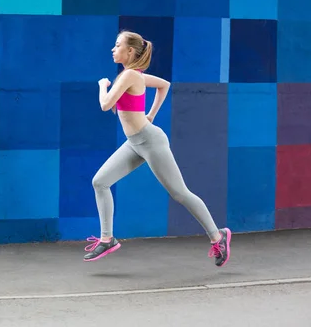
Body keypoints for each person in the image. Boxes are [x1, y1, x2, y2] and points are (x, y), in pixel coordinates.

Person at [83, 30, 231, 267]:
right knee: (100, 182)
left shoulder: (129, 75)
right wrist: (150, 114)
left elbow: (105, 104)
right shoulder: (134, 76)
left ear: (130, 51)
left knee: (180, 193)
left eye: (117, 45)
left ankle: (218, 235)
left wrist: (103, 85)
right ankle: (107, 239)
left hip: (150, 141)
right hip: (134, 143)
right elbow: (164, 85)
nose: (113, 49)